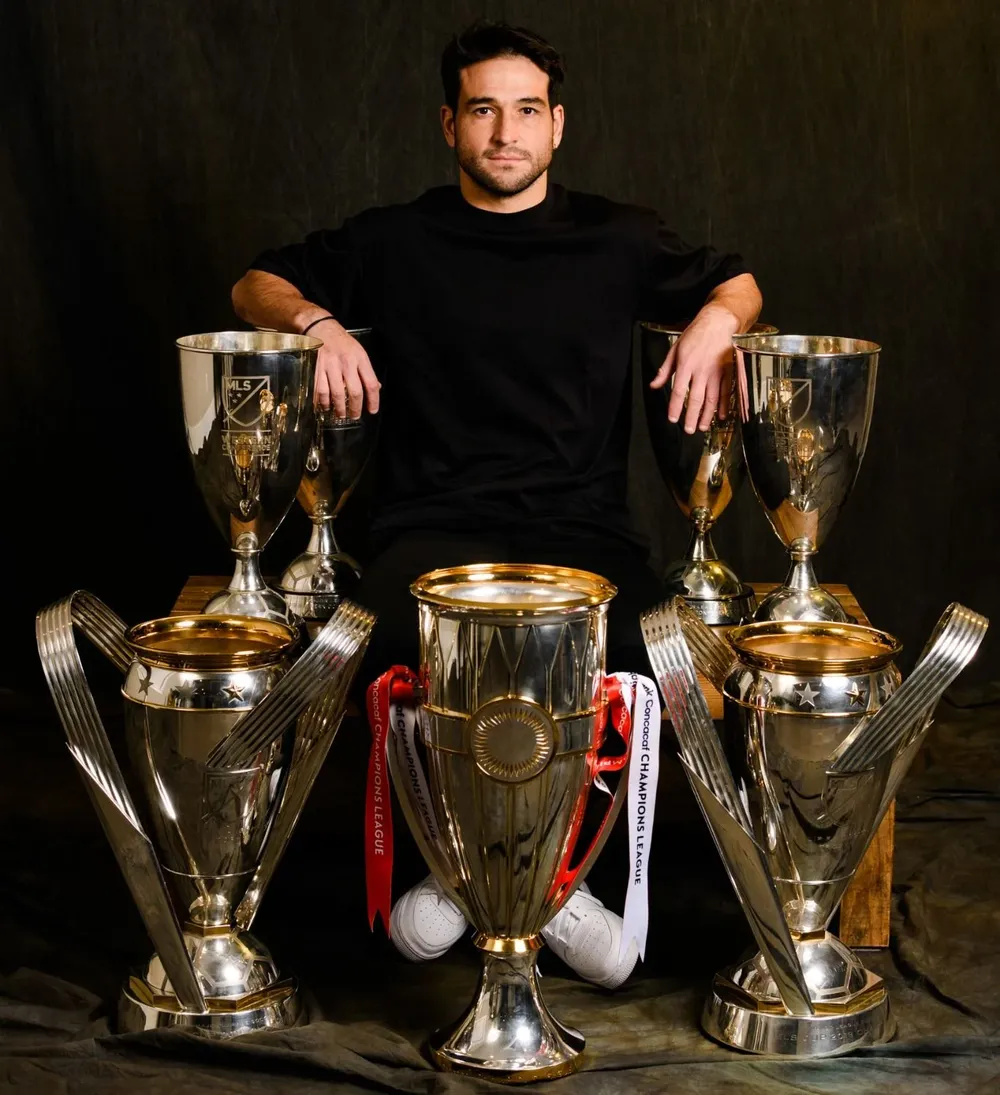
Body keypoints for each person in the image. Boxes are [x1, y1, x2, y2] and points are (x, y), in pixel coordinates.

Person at [232, 20, 762, 988]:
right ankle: (503, 880)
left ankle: (530, 880)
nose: (505, 132)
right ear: (450, 124)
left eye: (526, 110)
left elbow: (738, 281)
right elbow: (253, 282)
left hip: (585, 535)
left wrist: (716, 322)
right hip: (426, 535)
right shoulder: (396, 239)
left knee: (656, 661)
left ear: (557, 125)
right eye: (483, 110)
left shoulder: (619, 237)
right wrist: (316, 322)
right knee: (375, 648)